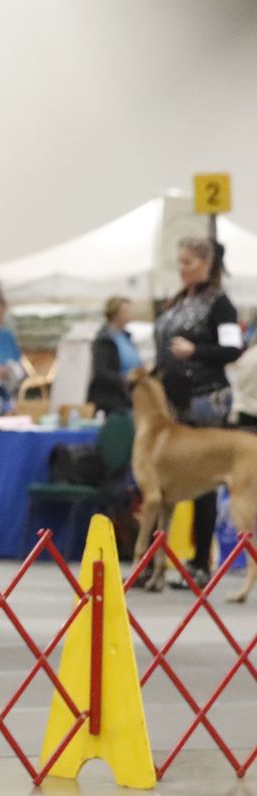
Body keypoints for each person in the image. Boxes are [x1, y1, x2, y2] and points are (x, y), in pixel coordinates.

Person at [154, 236, 240, 588]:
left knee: (203, 480)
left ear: (206, 264)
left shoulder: (221, 304)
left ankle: (201, 561)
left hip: (206, 401)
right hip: (173, 403)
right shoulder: (177, 300)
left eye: (189, 262)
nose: (183, 268)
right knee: (166, 482)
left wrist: (195, 350)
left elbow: (233, 348)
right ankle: (156, 561)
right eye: (180, 262)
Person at [86, 296, 139, 416]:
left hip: (128, 397)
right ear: (115, 314)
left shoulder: (127, 337)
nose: (130, 314)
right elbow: (101, 371)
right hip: (112, 401)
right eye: (126, 311)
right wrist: (124, 379)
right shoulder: (104, 340)